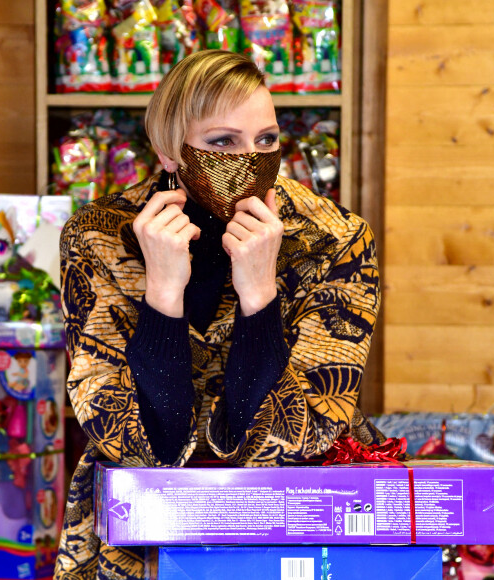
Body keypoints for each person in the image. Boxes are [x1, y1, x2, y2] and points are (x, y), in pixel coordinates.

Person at [55, 49, 385, 580]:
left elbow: (302, 444)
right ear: (169, 153)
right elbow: (132, 448)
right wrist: (163, 293)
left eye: (267, 140)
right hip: (140, 533)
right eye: (222, 142)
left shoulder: (336, 238)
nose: (251, 161)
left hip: (297, 524)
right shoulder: (98, 235)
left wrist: (258, 294)